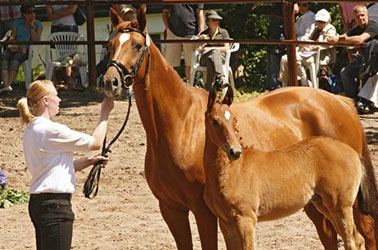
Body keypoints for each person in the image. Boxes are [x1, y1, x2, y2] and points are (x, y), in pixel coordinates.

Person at [17, 79, 114, 250]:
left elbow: (54, 167)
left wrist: (89, 161)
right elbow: (96, 142)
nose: (60, 99)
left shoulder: (31, 129)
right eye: (56, 95)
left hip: (40, 204)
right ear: (46, 100)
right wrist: (104, 113)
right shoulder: (52, 130)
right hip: (56, 207)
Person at [329, 4, 378, 102]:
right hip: (364, 59)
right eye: (357, 16)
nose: (360, 18)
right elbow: (344, 35)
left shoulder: (373, 26)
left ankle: (365, 102)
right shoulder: (357, 27)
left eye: (362, 15)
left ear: (367, 15)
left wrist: (338, 39)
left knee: (365, 72)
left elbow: (360, 39)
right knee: (345, 72)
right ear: (354, 18)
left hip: (374, 61)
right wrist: (335, 38)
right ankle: (352, 98)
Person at [278, 9, 336, 87]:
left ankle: (305, 82)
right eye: (318, 21)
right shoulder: (316, 29)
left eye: (322, 22)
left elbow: (328, 43)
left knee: (295, 58)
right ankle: (284, 84)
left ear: (328, 22)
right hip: (306, 53)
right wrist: (304, 44)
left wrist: (312, 48)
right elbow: (308, 38)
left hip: (319, 56)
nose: (319, 23)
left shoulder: (330, 29)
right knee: (285, 58)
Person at [0, 4, 42, 93]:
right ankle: (6, 85)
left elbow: (36, 40)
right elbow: (12, 37)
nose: (32, 14)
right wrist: (18, 44)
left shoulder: (38, 24)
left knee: (16, 58)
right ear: (24, 14)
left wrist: (31, 27)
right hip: (15, 47)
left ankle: (8, 85)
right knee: (4, 57)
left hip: (25, 50)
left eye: (34, 11)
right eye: (29, 12)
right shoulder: (17, 23)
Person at [162, 4, 205, 81]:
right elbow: (165, 12)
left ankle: (190, 87)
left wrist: (201, 31)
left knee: (190, 64)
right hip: (173, 33)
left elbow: (200, 13)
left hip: (191, 33)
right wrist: (168, 28)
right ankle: (171, 86)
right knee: (169, 64)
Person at [196, 10, 230, 90]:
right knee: (212, 54)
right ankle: (221, 78)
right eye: (214, 20)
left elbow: (226, 48)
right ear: (208, 22)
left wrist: (211, 49)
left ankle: (208, 87)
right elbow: (197, 49)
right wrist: (200, 41)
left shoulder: (224, 32)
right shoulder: (204, 34)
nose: (216, 22)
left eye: (218, 20)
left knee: (211, 59)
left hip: (220, 58)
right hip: (204, 58)